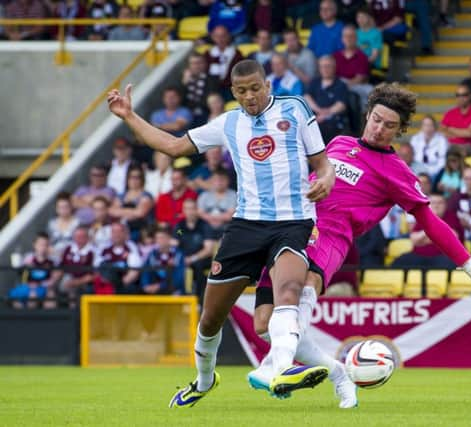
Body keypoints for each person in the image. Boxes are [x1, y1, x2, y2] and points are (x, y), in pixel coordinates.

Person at [250, 83, 471, 409]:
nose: (379, 129)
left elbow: (430, 222)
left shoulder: (396, 172)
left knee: (301, 290)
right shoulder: (338, 143)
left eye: (389, 125)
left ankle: (276, 367)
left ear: (400, 130)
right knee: (264, 324)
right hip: (291, 227)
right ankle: (338, 373)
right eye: (376, 119)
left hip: (330, 237)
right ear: (367, 115)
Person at [107, 59, 336, 405]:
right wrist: (129, 116)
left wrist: (328, 177)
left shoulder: (296, 109)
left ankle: (281, 368)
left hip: (293, 222)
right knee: (211, 318)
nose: (250, 97)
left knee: (289, 291)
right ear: (233, 92)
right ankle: (203, 381)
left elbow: (322, 163)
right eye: (242, 91)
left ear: (267, 85)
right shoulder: (229, 123)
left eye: (255, 89)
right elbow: (172, 147)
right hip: (246, 226)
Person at [391, 194, 461, 270]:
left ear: (445, 205)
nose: (436, 206)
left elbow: (454, 238)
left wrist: (425, 238)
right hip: (419, 255)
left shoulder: (452, 216)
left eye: (440, 203)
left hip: (443, 256)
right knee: (399, 262)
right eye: (433, 203)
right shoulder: (423, 216)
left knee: (452, 264)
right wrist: (433, 232)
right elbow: (414, 240)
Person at [173, 198, 219, 301]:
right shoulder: (180, 227)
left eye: (192, 208)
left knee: (198, 266)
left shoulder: (204, 226)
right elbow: (175, 243)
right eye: (187, 209)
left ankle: (197, 299)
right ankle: (177, 296)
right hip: (183, 259)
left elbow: (209, 249)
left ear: (197, 209)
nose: (189, 211)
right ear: (183, 210)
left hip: (201, 260)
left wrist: (192, 258)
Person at [8, 232, 60, 309]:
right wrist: (25, 266)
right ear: (34, 245)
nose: (42, 247)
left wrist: (54, 253)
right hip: (27, 287)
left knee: (40, 297)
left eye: (45, 244)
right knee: (16, 298)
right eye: (40, 244)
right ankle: (21, 318)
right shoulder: (28, 258)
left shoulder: (52, 260)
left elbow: (55, 276)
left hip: (43, 287)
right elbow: (20, 272)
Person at [305, 55, 350, 144]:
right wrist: (317, 110)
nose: (325, 69)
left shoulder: (341, 84)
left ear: (334, 68)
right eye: (322, 66)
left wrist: (325, 114)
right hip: (315, 117)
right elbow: (307, 97)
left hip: (333, 121)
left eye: (328, 66)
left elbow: (341, 105)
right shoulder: (315, 82)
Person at [93, 222, 143, 294]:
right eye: (114, 232)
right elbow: (96, 269)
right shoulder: (103, 248)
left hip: (123, 283)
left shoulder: (131, 247)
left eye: (119, 232)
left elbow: (134, 272)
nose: (116, 235)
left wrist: (119, 285)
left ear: (124, 234)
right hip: (105, 283)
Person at [109, 165, 154, 242]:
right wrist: (133, 211)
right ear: (127, 179)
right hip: (122, 229)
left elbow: (140, 213)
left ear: (142, 179)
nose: (134, 180)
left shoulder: (146, 195)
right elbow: (111, 211)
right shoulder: (121, 195)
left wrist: (121, 211)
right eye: (131, 177)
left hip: (140, 231)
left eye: (137, 177)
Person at [334, 25, 373, 108]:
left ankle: (364, 117)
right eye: (346, 36)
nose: (348, 39)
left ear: (356, 38)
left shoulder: (362, 56)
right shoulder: (335, 56)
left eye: (351, 36)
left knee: (370, 90)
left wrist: (343, 87)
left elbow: (360, 78)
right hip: (338, 83)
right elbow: (331, 76)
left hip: (355, 84)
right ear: (342, 39)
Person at [440, 83, 471, 155]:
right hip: (449, 145)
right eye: (458, 95)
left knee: (456, 152)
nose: (460, 98)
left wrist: (451, 129)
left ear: (470, 96)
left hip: (467, 147)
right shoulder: (450, 113)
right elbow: (441, 131)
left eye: (464, 95)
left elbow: (469, 133)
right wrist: (461, 133)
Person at [141, 226, 186, 295]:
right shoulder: (152, 255)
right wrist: (146, 285)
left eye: (162, 238)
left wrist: (160, 286)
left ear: (169, 238)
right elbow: (146, 272)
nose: (159, 240)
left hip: (173, 290)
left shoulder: (178, 255)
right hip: (155, 290)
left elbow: (179, 278)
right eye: (157, 238)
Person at [58, 226, 95, 307]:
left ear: (87, 238)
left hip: (86, 282)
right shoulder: (68, 249)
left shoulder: (93, 251)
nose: (79, 239)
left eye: (82, 237)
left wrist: (77, 282)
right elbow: (61, 266)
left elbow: (95, 274)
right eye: (77, 237)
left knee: (73, 288)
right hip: (69, 278)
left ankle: (74, 315)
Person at [181, 53, 220, 126]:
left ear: (205, 64)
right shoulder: (184, 80)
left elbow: (211, 98)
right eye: (193, 63)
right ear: (189, 66)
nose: (196, 66)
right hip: (187, 115)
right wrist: (184, 84)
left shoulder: (212, 79)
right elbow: (179, 101)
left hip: (205, 113)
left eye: (199, 63)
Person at [205, 26, 244, 94]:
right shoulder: (207, 54)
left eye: (223, 36)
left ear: (228, 36)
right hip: (211, 89)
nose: (220, 39)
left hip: (230, 89)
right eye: (217, 36)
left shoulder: (237, 54)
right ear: (212, 37)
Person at [196, 168, 237, 234]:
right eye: (216, 180)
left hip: (227, 228)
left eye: (222, 180)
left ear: (228, 181)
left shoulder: (234, 195)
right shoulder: (204, 195)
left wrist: (214, 219)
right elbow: (200, 213)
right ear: (211, 181)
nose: (219, 182)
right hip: (206, 228)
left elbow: (231, 215)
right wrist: (213, 219)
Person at [47, 192, 80, 262]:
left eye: (66, 207)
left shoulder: (77, 223)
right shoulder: (51, 224)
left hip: (72, 258)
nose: (63, 210)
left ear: (71, 207)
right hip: (54, 257)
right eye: (60, 207)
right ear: (56, 209)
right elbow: (47, 243)